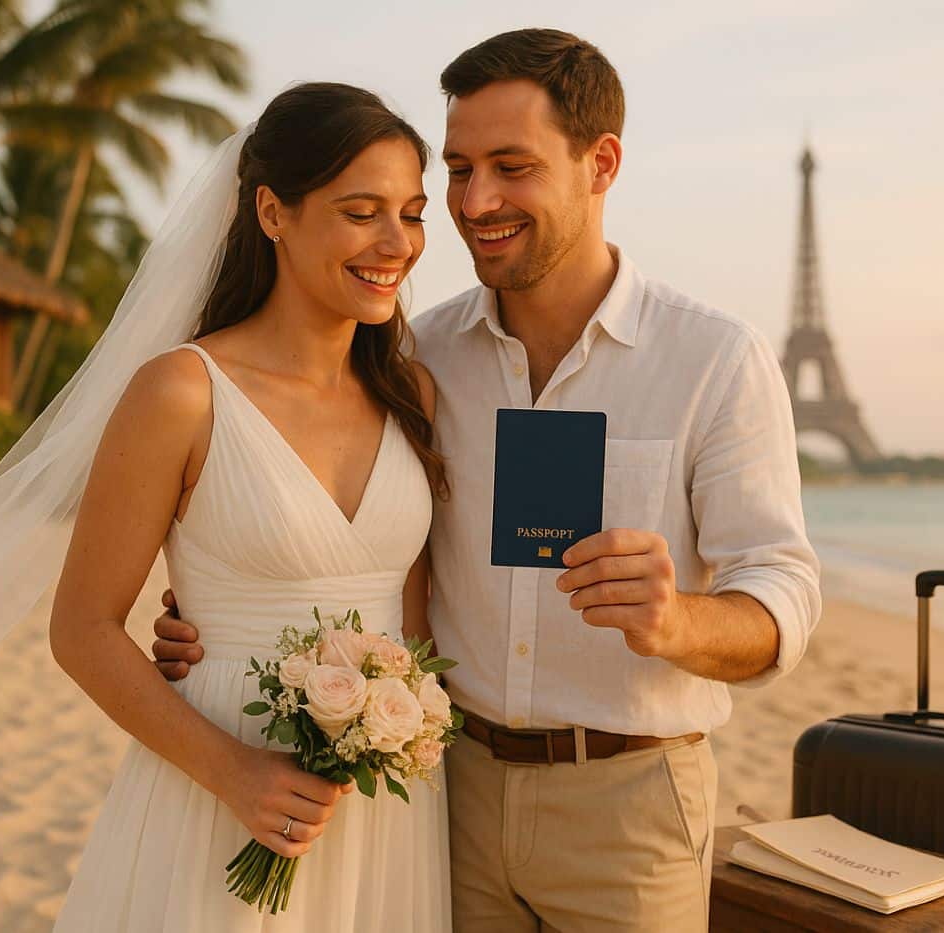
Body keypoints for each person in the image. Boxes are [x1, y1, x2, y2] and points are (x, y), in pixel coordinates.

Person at [155, 29, 821, 933]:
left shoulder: (714, 358)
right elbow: (355, 541)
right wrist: (220, 614)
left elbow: (782, 593)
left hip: (628, 805)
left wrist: (677, 620)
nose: (478, 201)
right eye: (461, 170)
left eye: (512, 166)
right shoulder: (412, 355)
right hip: (442, 791)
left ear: (602, 163)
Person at [0, 83, 452, 933]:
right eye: (363, 212)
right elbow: (83, 627)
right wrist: (237, 772)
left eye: (413, 213)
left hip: (386, 809)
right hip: (221, 788)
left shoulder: (411, 391)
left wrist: (409, 725)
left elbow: (417, 622)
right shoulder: (183, 391)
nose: (398, 243)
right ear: (273, 213)